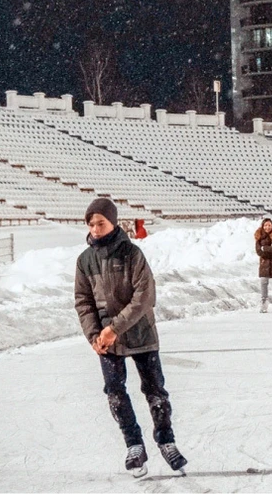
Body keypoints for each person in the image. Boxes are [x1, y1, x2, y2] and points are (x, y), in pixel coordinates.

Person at [74, 198, 187, 476]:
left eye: (101, 223)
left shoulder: (132, 253)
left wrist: (115, 328)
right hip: (106, 340)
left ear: (113, 222)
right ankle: (133, 444)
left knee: (155, 391)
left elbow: (145, 296)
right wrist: (94, 335)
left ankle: (166, 439)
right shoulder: (85, 261)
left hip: (141, 334)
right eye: (92, 224)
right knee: (115, 393)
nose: (96, 228)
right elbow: (83, 301)